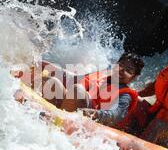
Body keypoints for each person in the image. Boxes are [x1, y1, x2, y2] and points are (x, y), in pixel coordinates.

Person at [14, 53, 147, 132]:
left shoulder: (125, 95)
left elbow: (115, 114)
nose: (122, 70)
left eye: (128, 70)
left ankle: (56, 127)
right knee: (51, 82)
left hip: (91, 122)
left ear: (134, 77)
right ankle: (17, 96)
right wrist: (45, 65)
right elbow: (71, 78)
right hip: (74, 109)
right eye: (121, 65)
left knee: (78, 90)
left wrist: (96, 113)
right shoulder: (101, 77)